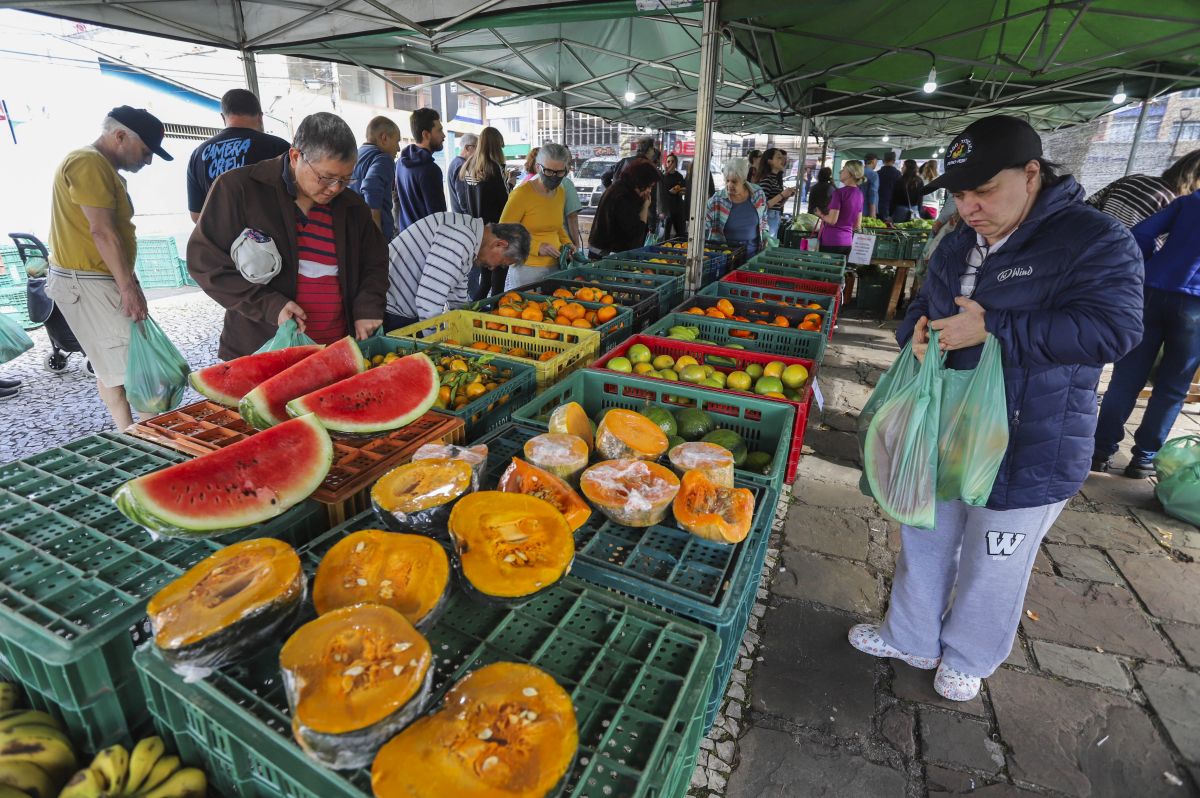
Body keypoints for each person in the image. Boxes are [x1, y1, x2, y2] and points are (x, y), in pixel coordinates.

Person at [849, 115, 1143, 703]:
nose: (970, 206)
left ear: (1032, 174)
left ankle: (969, 656)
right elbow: (924, 308)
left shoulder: (1093, 239)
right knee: (925, 536)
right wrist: (919, 330)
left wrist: (995, 328)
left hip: (1030, 440)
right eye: (960, 194)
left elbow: (1114, 331)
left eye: (983, 191)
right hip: (943, 424)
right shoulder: (958, 240)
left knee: (994, 561)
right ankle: (910, 635)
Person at [188, 112, 388, 359]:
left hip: (335, 351)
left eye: (345, 179)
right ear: (295, 156)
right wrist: (269, 305)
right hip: (261, 351)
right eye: (326, 177)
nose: (335, 188)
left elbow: (375, 263)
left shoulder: (352, 206)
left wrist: (368, 305)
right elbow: (205, 263)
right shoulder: (238, 189)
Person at [44, 106, 171, 428]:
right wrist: (127, 288)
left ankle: (130, 431)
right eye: (146, 151)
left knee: (111, 364)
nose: (148, 160)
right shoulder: (88, 162)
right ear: (119, 136)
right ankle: (155, 438)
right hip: (87, 280)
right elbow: (101, 230)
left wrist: (129, 280)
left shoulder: (98, 166)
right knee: (133, 365)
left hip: (91, 278)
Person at [1093, 191, 1200, 478]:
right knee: (1173, 388)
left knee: (1125, 379)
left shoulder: (1192, 200)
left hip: (1151, 291)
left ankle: (1100, 450)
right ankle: (1143, 459)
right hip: (1196, 306)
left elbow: (1140, 232)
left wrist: (1149, 265)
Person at [385, 214, 530, 330]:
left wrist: (467, 324)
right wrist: (436, 343)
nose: (493, 268)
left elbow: (457, 299)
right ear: (500, 244)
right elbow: (429, 303)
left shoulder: (470, 235)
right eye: (502, 263)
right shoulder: (461, 239)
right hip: (391, 308)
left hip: (397, 306)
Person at [186, 89, 289, 222]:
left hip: (221, 240)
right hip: (270, 239)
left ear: (223, 117)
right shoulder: (279, 147)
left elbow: (196, 216)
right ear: (260, 116)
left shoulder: (198, 154)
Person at [499, 143, 574, 290]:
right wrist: (536, 247)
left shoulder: (560, 192)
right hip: (526, 269)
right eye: (549, 171)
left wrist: (568, 243)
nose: (554, 176)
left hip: (556, 267)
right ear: (538, 167)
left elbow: (558, 227)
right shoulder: (521, 194)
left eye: (560, 172)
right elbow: (503, 231)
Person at [1086, 149, 1200, 228]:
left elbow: (1089, 204)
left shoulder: (1134, 179)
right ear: (1196, 178)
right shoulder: (1176, 204)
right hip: (1119, 259)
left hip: (1087, 242)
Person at [461, 127, 511, 299]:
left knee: (486, 281)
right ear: (497, 145)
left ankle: (473, 315)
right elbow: (505, 202)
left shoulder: (469, 166)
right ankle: (495, 319)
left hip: (478, 230)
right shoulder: (494, 167)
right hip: (496, 230)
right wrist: (509, 183)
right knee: (498, 282)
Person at [590, 160, 661, 255]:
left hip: (603, 248)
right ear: (640, 181)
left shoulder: (622, 188)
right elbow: (635, 236)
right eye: (649, 186)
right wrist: (645, 206)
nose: (649, 191)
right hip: (605, 253)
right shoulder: (624, 196)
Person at [348, 115, 401, 241]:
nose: (398, 148)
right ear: (384, 138)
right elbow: (371, 188)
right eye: (397, 141)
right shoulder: (384, 158)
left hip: (354, 233)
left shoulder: (355, 156)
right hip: (373, 238)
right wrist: (376, 237)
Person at [395, 107, 446, 233]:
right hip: (427, 243)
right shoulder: (430, 170)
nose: (443, 135)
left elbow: (396, 202)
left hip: (407, 239)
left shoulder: (400, 164)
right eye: (439, 130)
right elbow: (438, 217)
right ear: (426, 134)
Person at [705, 157, 769, 258]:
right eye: (727, 180)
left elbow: (764, 217)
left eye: (734, 181)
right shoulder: (718, 199)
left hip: (753, 251)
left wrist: (766, 236)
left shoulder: (758, 193)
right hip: (725, 253)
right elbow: (704, 222)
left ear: (743, 180)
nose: (729, 185)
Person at [815, 160, 865, 256]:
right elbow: (857, 225)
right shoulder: (860, 194)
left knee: (826, 270)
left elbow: (832, 220)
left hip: (831, 241)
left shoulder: (839, 193)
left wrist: (820, 214)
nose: (840, 171)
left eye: (843, 169)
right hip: (847, 243)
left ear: (851, 173)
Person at [757, 148, 797, 239]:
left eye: (783, 158)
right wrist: (782, 194)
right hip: (768, 218)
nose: (783, 160)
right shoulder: (767, 180)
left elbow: (778, 204)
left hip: (775, 216)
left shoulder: (775, 179)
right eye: (779, 157)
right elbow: (763, 206)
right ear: (770, 161)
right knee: (769, 244)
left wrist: (786, 196)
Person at [447, 132, 478, 214]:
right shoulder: (462, 166)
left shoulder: (455, 163)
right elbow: (464, 200)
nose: (479, 152)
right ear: (467, 148)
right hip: (465, 220)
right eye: (477, 148)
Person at [660, 154, 687, 239]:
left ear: (676, 163)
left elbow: (684, 189)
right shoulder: (663, 176)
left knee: (680, 232)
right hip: (667, 208)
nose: (671, 163)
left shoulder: (679, 176)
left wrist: (682, 191)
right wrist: (669, 192)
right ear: (666, 163)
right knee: (666, 234)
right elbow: (660, 193)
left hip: (678, 207)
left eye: (673, 161)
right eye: (668, 161)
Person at [875, 152, 902, 221]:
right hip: (893, 205)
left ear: (883, 161)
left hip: (879, 204)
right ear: (894, 161)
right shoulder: (898, 174)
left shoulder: (877, 173)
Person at [860, 153, 880, 218]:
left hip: (855, 207)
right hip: (866, 210)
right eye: (876, 161)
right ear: (873, 161)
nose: (876, 164)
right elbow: (873, 193)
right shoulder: (873, 174)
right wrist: (872, 212)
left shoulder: (858, 172)